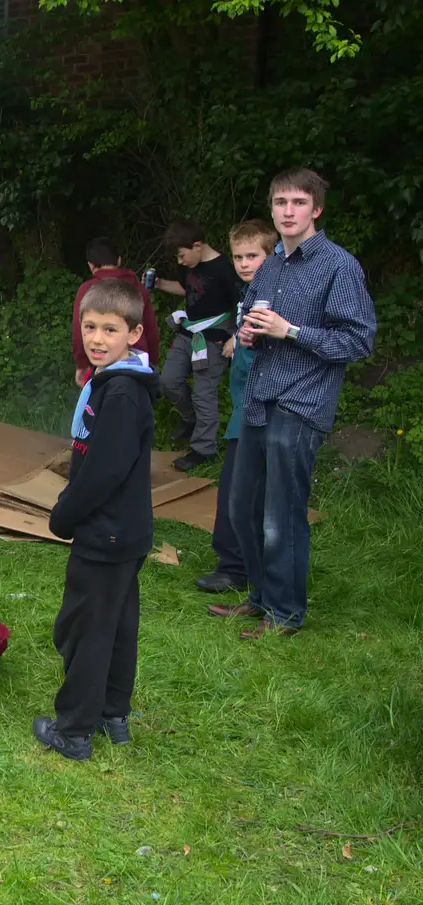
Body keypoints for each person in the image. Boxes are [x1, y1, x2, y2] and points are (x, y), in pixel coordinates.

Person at [211, 169, 377, 638]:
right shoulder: (271, 265)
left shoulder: (338, 265)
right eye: (281, 202)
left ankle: (284, 615)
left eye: (298, 203)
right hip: (259, 400)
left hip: (301, 403)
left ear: (316, 209)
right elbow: (258, 319)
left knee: (281, 516)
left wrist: (292, 331)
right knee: (243, 507)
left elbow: (359, 340)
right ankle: (261, 599)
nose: (288, 211)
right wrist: (249, 332)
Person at [34, 278, 159, 761]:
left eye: (110, 328)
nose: (97, 338)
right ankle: (112, 713)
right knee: (117, 624)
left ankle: (74, 730)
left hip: (105, 533)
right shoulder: (111, 384)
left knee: (83, 629)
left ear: (133, 334)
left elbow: (105, 470)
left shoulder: (122, 393)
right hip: (125, 532)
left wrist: (64, 514)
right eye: (90, 327)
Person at [194, 219, 276, 594]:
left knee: (243, 492)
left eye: (252, 256)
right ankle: (238, 564)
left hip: (263, 411)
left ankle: (238, 568)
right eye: (238, 256)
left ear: (271, 254)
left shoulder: (275, 294)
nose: (244, 263)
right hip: (242, 409)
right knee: (236, 489)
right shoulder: (247, 293)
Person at [155, 219, 243, 471]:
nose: (181, 262)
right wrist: (160, 284)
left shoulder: (224, 268)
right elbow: (187, 289)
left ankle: (203, 449)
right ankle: (190, 418)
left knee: (204, 392)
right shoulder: (189, 264)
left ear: (197, 245)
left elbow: (242, 303)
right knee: (168, 380)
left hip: (215, 336)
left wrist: (235, 337)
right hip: (189, 331)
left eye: (182, 256)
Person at [72, 236, 159, 386]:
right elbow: (151, 330)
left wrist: (81, 364)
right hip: (137, 361)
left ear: (91, 265)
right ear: (119, 260)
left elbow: (78, 329)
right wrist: (151, 362)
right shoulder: (138, 288)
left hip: (104, 360)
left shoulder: (87, 289)